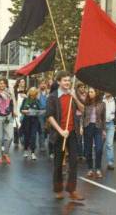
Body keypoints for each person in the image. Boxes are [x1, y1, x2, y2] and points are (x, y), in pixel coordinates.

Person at [47, 71, 85, 200]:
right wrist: (60, 131)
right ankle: (58, 189)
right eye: (65, 80)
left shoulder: (72, 95)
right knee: (58, 163)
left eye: (69, 80)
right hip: (59, 134)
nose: (67, 82)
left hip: (72, 132)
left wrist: (74, 97)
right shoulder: (52, 97)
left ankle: (72, 189)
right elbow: (50, 116)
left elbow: (83, 109)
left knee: (74, 162)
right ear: (58, 82)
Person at [83, 87, 106, 178]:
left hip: (98, 127)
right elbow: (83, 116)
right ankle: (89, 169)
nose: (90, 93)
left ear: (96, 93)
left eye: (91, 92)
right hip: (88, 127)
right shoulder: (86, 103)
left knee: (99, 149)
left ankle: (98, 168)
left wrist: (104, 130)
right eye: (89, 92)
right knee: (88, 150)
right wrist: (81, 126)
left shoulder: (102, 104)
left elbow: (103, 118)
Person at [0, 78, 15, 165]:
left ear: (6, 84)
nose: (2, 85)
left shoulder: (9, 93)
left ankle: (5, 153)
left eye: (3, 83)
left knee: (10, 137)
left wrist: (13, 113)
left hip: (8, 117)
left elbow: (11, 104)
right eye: (0, 83)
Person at [20, 87, 41, 160]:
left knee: (33, 136)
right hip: (26, 120)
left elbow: (40, 110)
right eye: (31, 93)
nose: (32, 95)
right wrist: (25, 111)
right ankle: (25, 150)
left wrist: (37, 112)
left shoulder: (37, 101)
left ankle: (33, 152)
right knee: (27, 136)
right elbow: (21, 110)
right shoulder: (25, 100)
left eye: (34, 94)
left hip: (35, 121)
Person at [103, 92, 116, 170]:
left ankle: (110, 163)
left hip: (110, 124)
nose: (106, 92)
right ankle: (97, 162)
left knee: (109, 144)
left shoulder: (115, 101)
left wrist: (115, 119)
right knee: (99, 144)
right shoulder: (101, 99)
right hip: (101, 125)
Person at [13, 78, 27, 146]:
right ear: (18, 83)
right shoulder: (15, 91)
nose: (23, 83)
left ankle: (22, 139)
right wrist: (14, 110)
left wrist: (26, 96)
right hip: (16, 109)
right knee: (15, 125)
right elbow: (13, 101)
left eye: (24, 81)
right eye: (22, 81)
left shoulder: (26, 91)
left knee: (23, 125)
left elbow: (30, 100)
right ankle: (16, 140)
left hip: (24, 110)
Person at [75, 82, 87, 160]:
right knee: (78, 135)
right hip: (78, 116)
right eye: (81, 87)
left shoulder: (86, 95)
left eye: (83, 87)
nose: (82, 88)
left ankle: (84, 153)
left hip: (85, 116)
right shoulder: (76, 96)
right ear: (78, 88)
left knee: (85, 136)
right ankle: (79, 153)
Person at [37, 79, 49, 152]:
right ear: (39, 85)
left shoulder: (49, 93)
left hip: (48, 112)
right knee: (41, 129)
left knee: (47, 129)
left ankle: (43, 140)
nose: (43, 85)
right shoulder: (37, 93)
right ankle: (42, 145)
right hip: (40, 112)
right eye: (42, 83)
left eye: (44, 83)